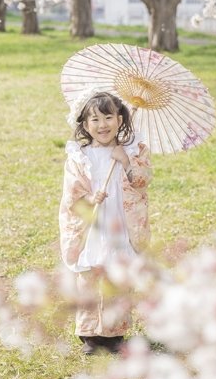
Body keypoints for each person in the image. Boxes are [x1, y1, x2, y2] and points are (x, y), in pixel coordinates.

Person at [59, 89, 152, 355]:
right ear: (85, 125)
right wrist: (91, 197)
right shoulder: (80, 156)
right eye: (95, 120)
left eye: (109, 117)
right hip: (92, 223)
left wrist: (127, 163)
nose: (103, 125)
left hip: (119, 222)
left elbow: (144, 180)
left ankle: (115, 333)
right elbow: (72, 194)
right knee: (90, 275)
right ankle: (90, 334)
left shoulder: (132, 150)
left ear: (120, 119)